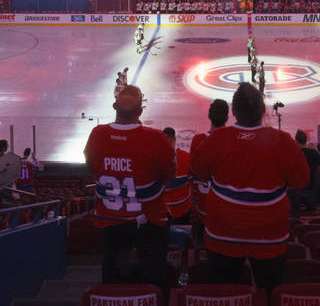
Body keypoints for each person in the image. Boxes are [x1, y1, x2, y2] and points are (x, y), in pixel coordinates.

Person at [189, 82, 309, 295]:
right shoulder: (282, 141)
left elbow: (198, 173)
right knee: (271, 292)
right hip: (270, 236)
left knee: (224, 295)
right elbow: (302, 181)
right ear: (263, 110)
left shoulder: (216, 139)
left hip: (222, 234)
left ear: (233, 111)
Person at [84, 86, 174, 292]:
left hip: (111, 221)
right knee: (152, 281)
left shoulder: (98, 135)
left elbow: (91, 165)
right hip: (149, 221)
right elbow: (168, 174)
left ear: (114, 106)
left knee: (113, 283)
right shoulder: (156, 139)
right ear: (140, 111)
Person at [190, 98, 230, 239]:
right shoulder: (233, 140)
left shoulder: (198, 140)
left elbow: (193, 174)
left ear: (209, 116)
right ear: (227, 117)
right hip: (226, 210)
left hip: (203, 209)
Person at [162, 127, 192, 222]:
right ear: (174, 140)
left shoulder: (154, 159)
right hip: (184, 210)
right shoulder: (187, 157)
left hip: (163, 211)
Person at [290, 130, 320, 214]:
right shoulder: (314, 153)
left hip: (295, 187)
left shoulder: (292, 153)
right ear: (306, 140)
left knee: (295, 214)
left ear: (296, 140)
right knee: (311, 212)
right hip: (310, 185)